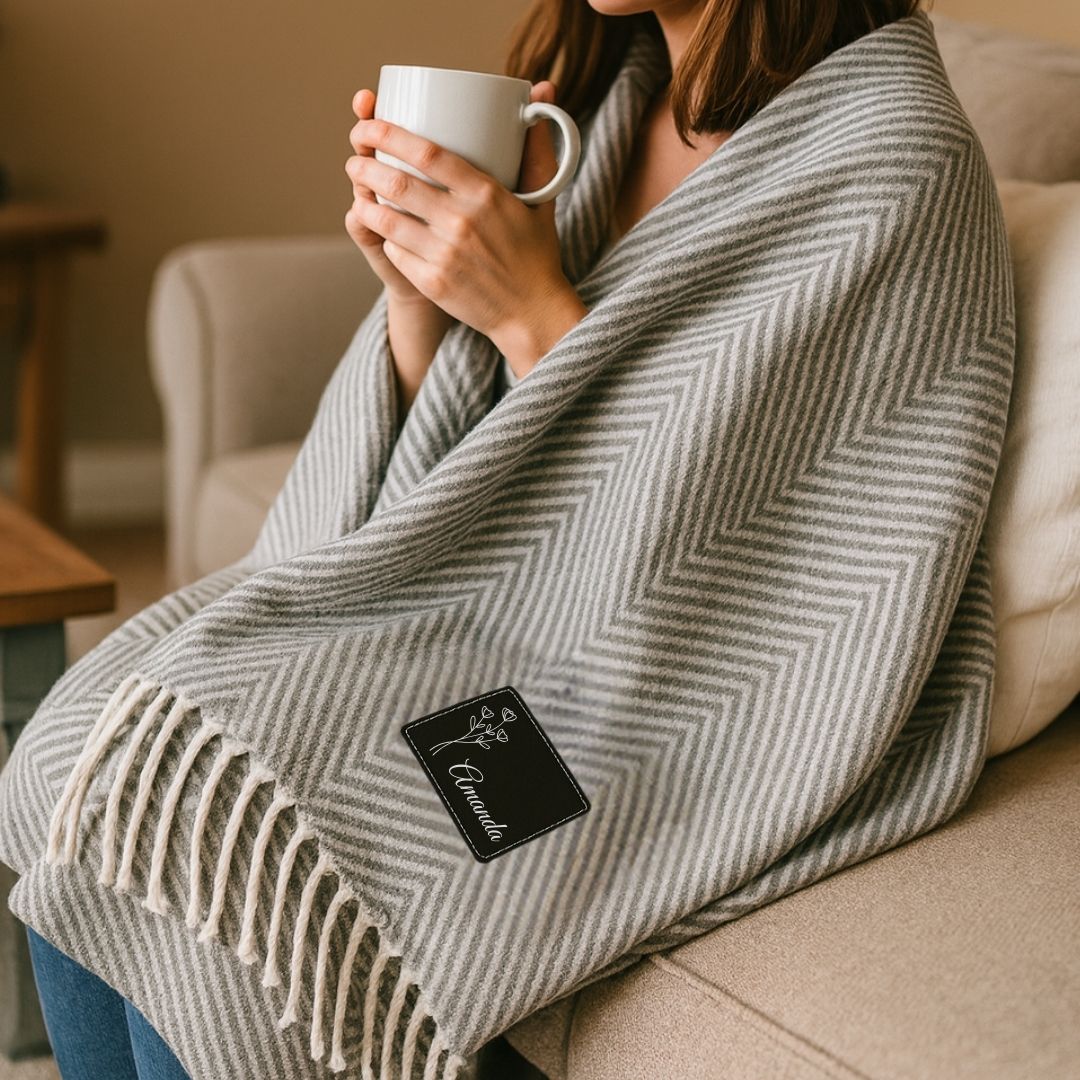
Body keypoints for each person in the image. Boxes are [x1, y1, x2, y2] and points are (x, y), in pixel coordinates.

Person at [18, 0, 923, 1075]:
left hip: (637, 703)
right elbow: (445, 464)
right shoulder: (593, 105)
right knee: (93, 739)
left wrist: (534, 315)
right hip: (484, 614)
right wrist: (420, 301)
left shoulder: (889, 158)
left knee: (241, 829)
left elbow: (766, 562)